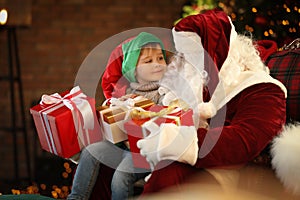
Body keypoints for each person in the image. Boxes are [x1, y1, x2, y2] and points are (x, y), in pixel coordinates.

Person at [136, 8, 288, 196]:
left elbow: (245, 139)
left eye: (195, 54)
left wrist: (179, 143)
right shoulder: (194, 81)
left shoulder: (261, 88)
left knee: (170, 174)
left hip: (232, 171)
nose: (188, 62)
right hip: (177, 158)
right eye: (184, 54)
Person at [67, 31, 168, 200]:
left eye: (160, 58)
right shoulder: (125, 92)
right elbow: (112, 119)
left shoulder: (165, 91)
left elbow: (168, 116)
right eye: (148, 61)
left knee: (121, 176)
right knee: (91, 151)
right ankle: (76, 197)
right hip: (123, 146)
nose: (157, 64)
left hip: (145, 150)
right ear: (132, 69)